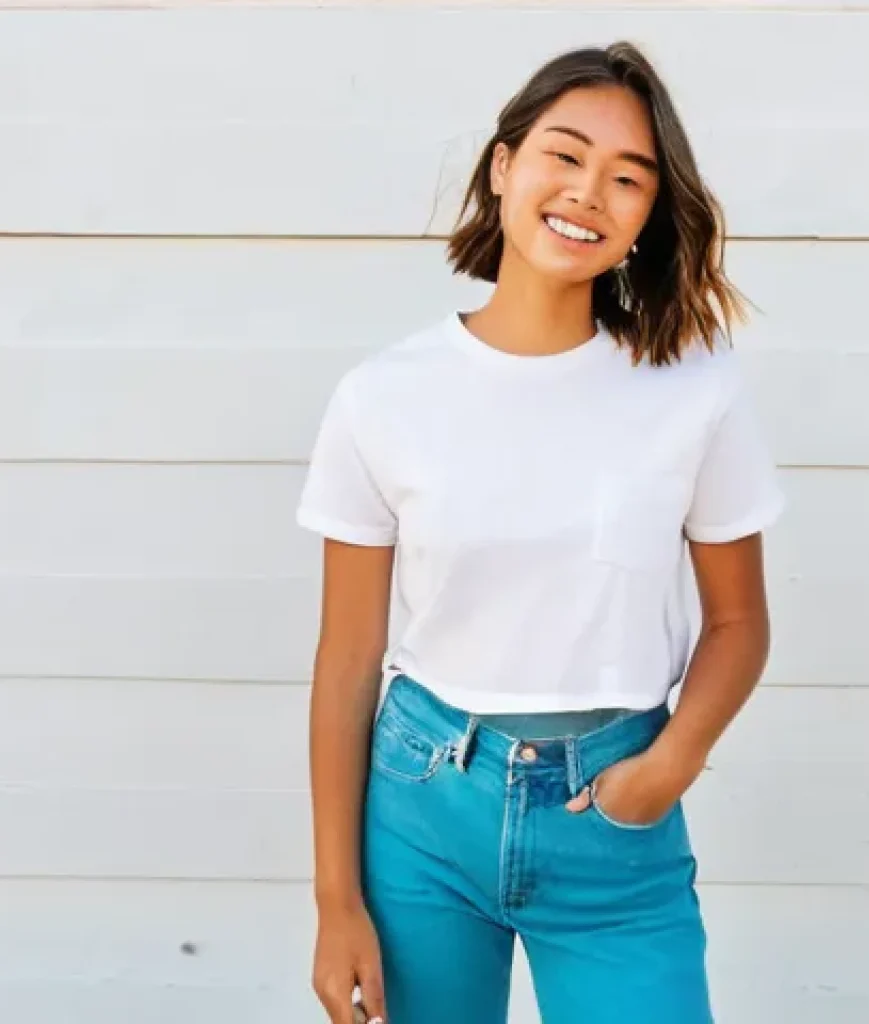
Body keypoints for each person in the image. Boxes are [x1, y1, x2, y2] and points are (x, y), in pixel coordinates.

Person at [297, 40, 784, 1024]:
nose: (587, 193)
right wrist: (334, 900)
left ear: (649, 215)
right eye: (563, 155)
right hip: (422, 811)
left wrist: (667, 768)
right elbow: (347, 659)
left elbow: (737, 624)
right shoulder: (383, 396)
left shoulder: (692, 388)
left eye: (626, 178)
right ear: (503, 166)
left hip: (615, 818)